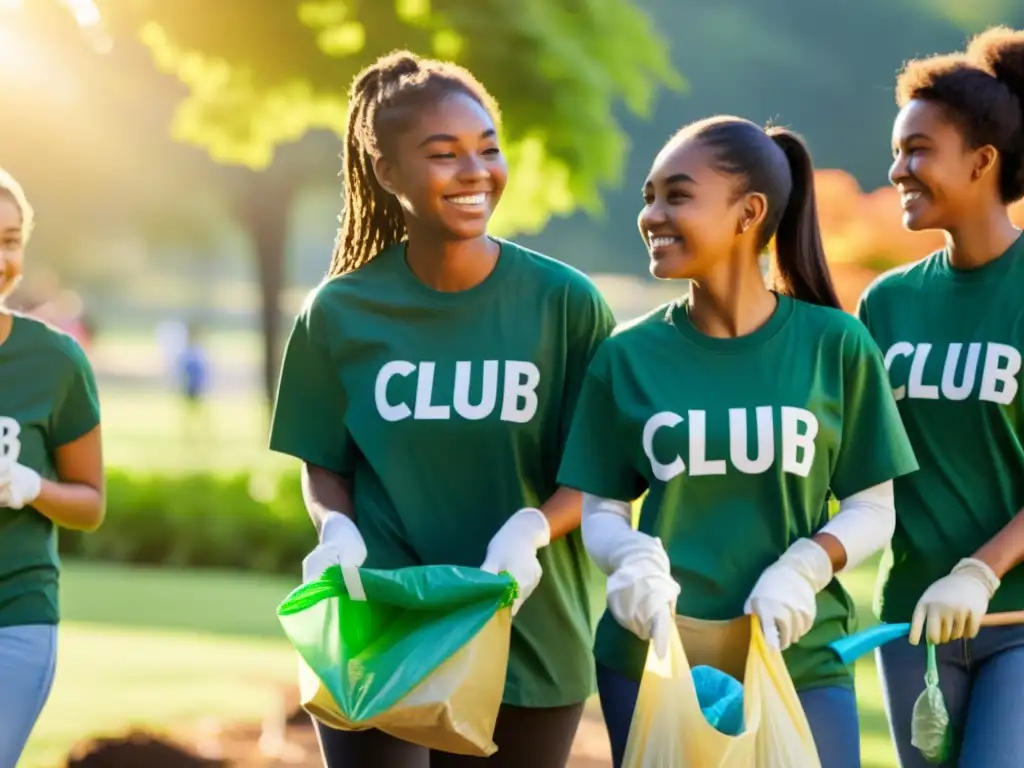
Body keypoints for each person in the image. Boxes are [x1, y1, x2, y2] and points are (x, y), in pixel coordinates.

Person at [268, 51, 616, 768]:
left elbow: (601, 465)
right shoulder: (338, 313)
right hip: (384, 620)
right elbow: (324, 465)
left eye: (487, 149)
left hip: (527, 628)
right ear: (386, 172)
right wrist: (335, 531)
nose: (475, 171)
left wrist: (532, 528)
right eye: (443, 154)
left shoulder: (565, 304)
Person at [555, 116, 919, 768]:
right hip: (653, 659)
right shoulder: (627, 356)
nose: (652, 215)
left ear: (749, 211)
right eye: (648, 196)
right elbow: (601, 508)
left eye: (677, 195)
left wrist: (804, 568)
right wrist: (629, 559)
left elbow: (873, 507)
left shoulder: (834, 345)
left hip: (798, 654)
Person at [859, 27, 1024, 767]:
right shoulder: (886, 304)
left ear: (983, 162)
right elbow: (862, 465)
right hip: (913, 622)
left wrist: (980, 570)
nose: (898, 170)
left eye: (917, 150)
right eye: (897, 151)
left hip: (1015, 618)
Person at [0, 167, 105, 766]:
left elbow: (91, 504)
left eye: (11, 240)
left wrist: (31, 485)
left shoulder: (55, 360)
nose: (1, 257)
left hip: (15, 618)